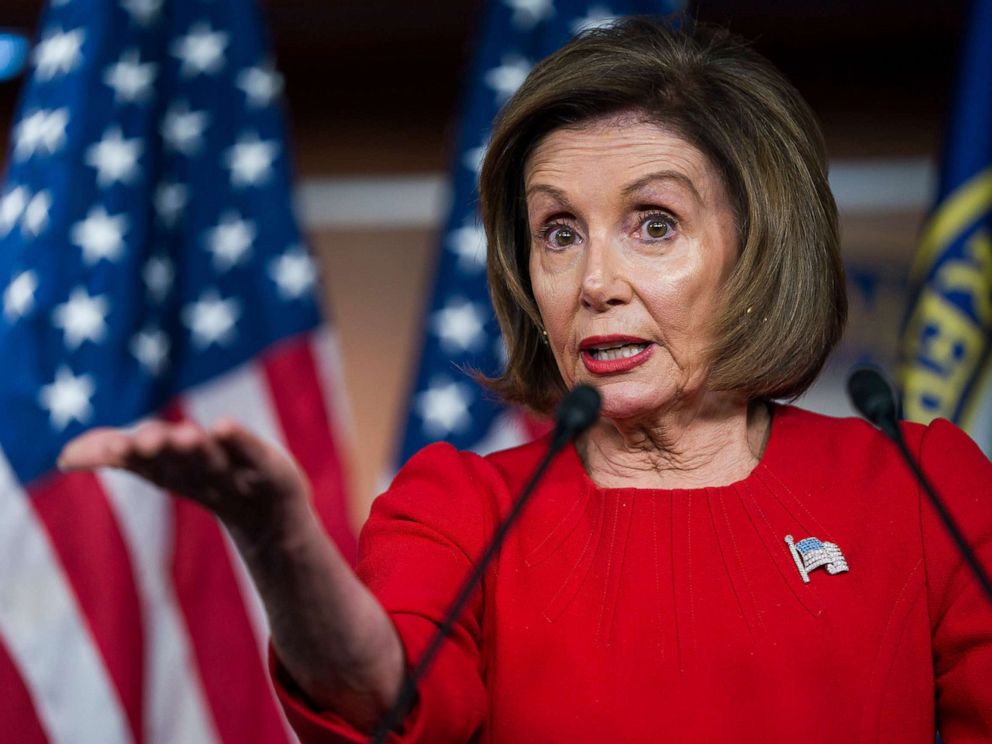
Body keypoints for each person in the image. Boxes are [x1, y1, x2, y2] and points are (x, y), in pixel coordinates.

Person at [59, 18, 992, 743]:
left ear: (761, 247)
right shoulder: (459, 505)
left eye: (654, 223)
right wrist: (281, 544)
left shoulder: (920, 489)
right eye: (558, 232)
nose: (595, 283)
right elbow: (383, 696)